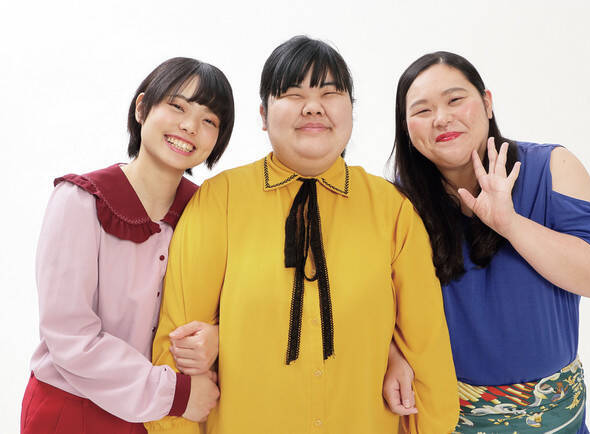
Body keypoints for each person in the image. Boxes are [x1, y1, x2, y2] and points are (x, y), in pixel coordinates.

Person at [145, 36, 459, 434]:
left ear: (351, 110)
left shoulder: (391, 209)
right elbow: (177, 344)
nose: (313, 106)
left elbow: (426, 347)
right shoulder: (219, 200)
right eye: (294, 94)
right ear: (263, 114)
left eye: (329, 93)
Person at [385, 51, 590, 433]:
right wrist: (390, 352)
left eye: (454, 99)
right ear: (407, 128)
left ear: (487, 102)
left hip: (554, 419)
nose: (441, 118)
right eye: (422, 110)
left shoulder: (552, 167)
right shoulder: (395, 204)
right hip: (441, 418)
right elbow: (369, 301)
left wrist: (510, 224)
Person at [21, 57, 235, 434]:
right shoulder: (80, 201)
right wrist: (175, 394)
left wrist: (219, 337)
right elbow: (70, 336)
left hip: (165, 424)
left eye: (209, 120)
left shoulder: (211, 214)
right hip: (74, 411)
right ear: (141, 108)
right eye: (177, 106)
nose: (190, 126)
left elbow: (237, 305)